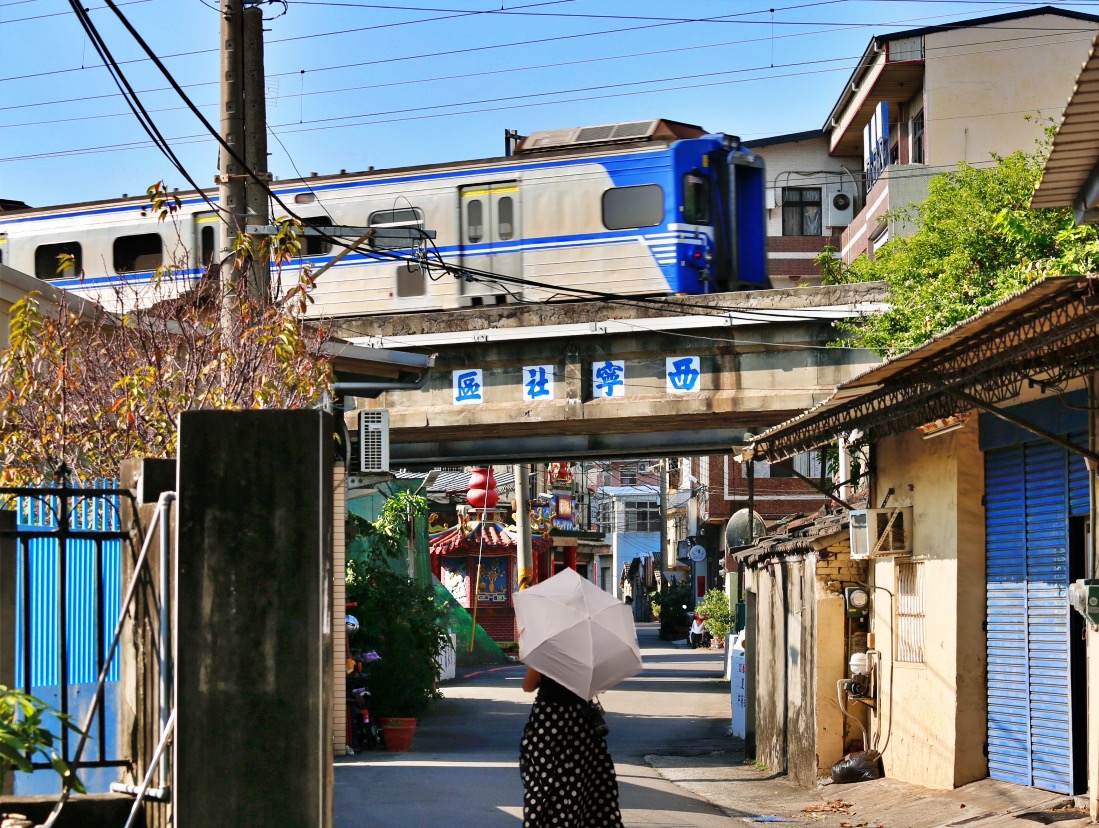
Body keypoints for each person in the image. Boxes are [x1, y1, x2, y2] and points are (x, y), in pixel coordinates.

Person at [520, 667, 623, 827]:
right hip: (580, 720)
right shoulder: (586, 654)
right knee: (582, 779)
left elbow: (527, 686)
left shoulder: (545, 652)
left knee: (545, 780)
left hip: (547, 720)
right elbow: (596, 687)